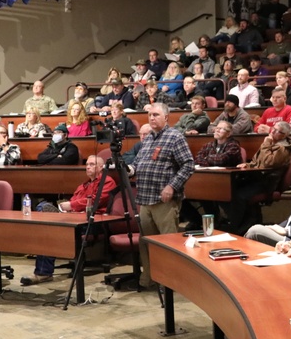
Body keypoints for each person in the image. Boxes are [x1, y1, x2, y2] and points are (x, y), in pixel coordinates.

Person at [19, 155, 117, 286]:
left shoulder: (107, 181)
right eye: (87, 164)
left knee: (51, 230)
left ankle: (43, 273)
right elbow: (74, 200)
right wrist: (70, 207)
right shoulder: (84, 185)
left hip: (93, 222)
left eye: (92, 164)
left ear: (101, 167)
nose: (88, 167)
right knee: (43, 212)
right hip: (73, 218)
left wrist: (71, 206)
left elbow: (95, 200)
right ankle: (52, 218)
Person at [130, 102, 195, 288]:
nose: (151, 118)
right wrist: (129, 169)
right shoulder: (148, 139)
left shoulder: (175, 137)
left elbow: (188, 165)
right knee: (147, 243)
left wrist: (172, 186)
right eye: (150, 115)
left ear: (166, 118)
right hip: (145, 198)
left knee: (168, 243)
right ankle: (149, 279)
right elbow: (138, 163)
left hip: (164, 200)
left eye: (156, 115)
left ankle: (170, 283)